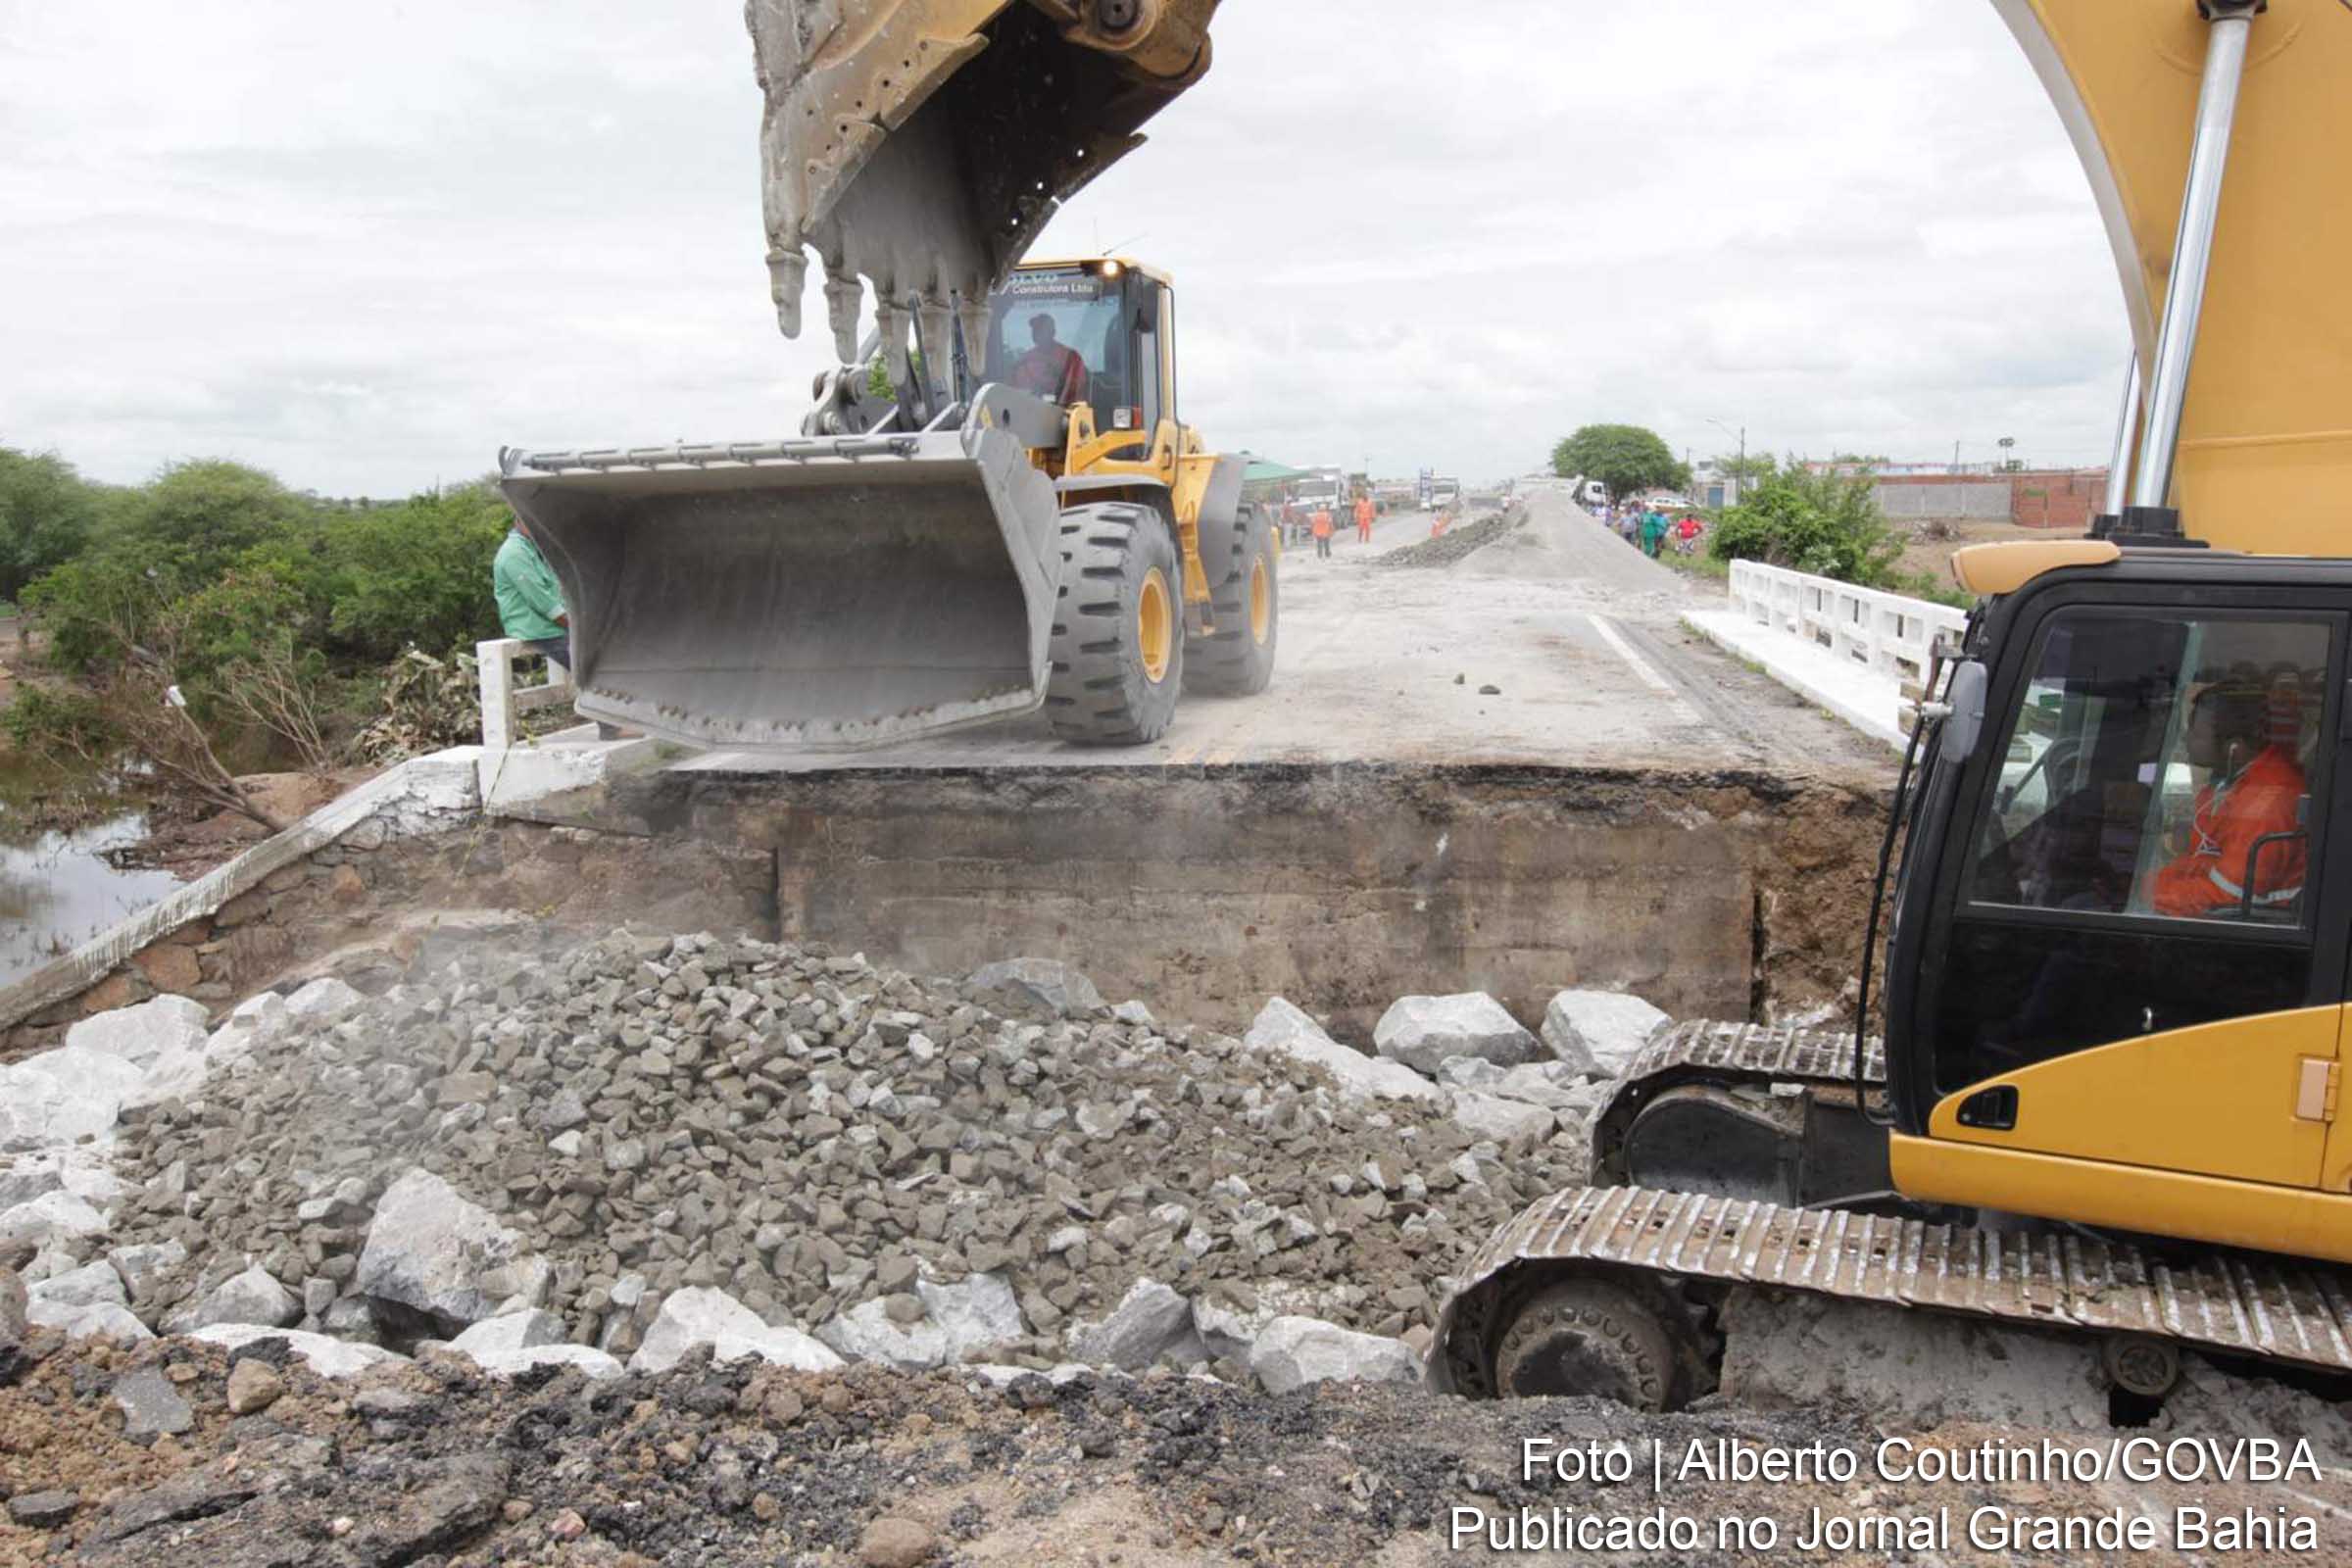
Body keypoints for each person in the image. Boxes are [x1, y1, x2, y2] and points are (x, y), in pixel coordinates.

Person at [2146, 671, 2308, 917]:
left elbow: (2227, 899)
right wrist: (2143, 882)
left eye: (2197, 733)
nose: (2187, 739)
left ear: (2234, 747)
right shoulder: (2233, 780)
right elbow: (2202, 859)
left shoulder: (2267, 803)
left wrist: (2147, 894)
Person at [493, 516, 570, 672]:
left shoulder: (532, 547)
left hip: (552, 626)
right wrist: (575, 625)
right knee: (592, 668)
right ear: (518, 521)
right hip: (537, 628)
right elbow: (541, 600)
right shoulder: (514, 553)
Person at [1008, 313, 1088, 404]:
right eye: (1035, 329)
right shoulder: (1023, 360)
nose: (1037, 333)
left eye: (1041, 330)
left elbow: (1080, 386)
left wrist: (1060, 371)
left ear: (1053, 332)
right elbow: (1014, 392)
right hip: (1031, 411)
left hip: (1065, 411)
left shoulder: (1071, 357)